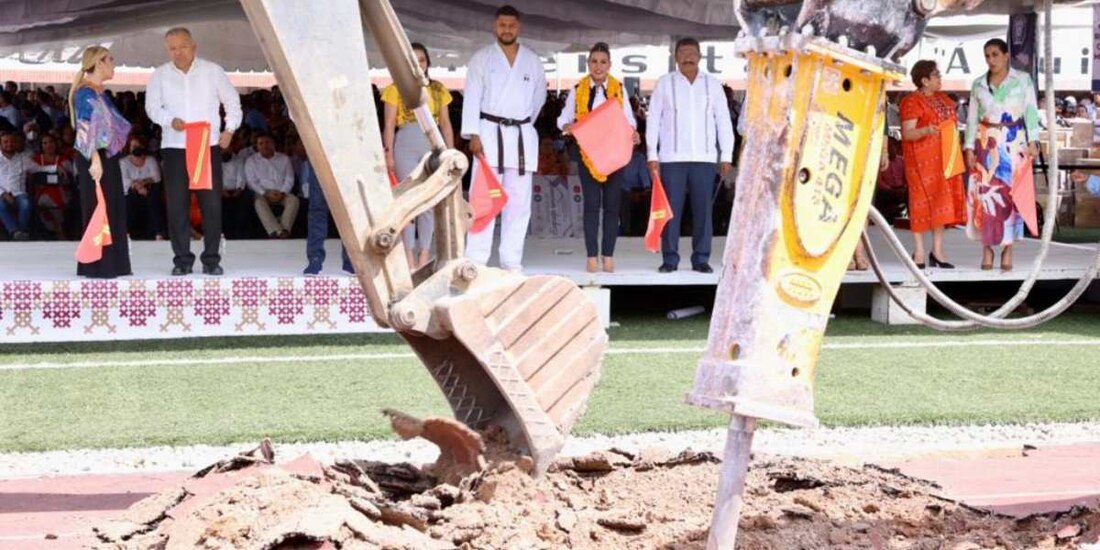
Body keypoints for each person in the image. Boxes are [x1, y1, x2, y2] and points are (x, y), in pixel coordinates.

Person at [145, 27, 241, 276]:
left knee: (211, 206)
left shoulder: (213, 71)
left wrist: (229, 130)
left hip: (206, 147)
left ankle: (211, 259)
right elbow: (152, 108)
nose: (178, 52)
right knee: (177, 206)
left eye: (182, 46)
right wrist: (168, 120)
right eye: (172, 48)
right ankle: (182, 260)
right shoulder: (160, 75)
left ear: (194, 46)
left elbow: (232, 101)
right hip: (175, 147)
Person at [461, 5, 547, 272]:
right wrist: (473, 133)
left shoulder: (532, 60)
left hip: (520, 136)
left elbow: (538, 99)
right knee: (483, 199)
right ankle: (476, 259)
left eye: (511, 25)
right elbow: (472, 97)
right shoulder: (482, 59)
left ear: (518, 27)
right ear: (494, 27)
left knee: (519, 202)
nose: (506, 29)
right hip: (489, 134)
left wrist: (520, 123)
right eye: (502, 25)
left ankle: (511, 260)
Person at [646, 37, 734, 273]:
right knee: (670, 211)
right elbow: (653, 119)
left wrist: (726, 155)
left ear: (699, 57)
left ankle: (701, 258)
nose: (687, 57)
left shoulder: (712, 84)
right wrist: (651, 154)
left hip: (704, 159)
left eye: (692, 53)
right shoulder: (665, 83)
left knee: (703, 210)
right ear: (675, 58)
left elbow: (723, 121)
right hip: (672, 158)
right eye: (683, 53)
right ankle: (670, 259)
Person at [556, 42, 639, 273]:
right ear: (588, 64)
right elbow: (561, 119)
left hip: (614, 155)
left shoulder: (619, 89)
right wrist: (568, 126)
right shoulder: (578, 89)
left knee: (612, 206)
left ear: (610, 64)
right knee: (592, 206)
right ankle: (592, 255)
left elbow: (630, 120)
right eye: (594, 61)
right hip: (588, 155)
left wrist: (633, 133)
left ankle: (609, 255)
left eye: (603, 62)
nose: (598, 66)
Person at [964, 38, 1040, 272]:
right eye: (987, 55)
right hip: (985, 142)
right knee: (986, 195)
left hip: (1014, 141)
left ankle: (1008, 248)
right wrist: (968, 147)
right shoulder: (978, 84)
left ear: (1006, 55)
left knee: (1011, 196)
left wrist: (1033, 140)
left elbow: (1031, 111)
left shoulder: (1022, 80)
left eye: (995, 54)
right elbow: (971, 119)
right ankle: (986, 249)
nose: (991, 59)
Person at [381, 42, 455, 269]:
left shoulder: (438, 89)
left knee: (428, 201)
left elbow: (446, 124)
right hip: (404, 144)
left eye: (422, 60)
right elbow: (389, 124)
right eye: (413, 60)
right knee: (407, 201)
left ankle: (424, 253)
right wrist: (388, 154)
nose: (418, 64)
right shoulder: (394, 89)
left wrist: (450, 154)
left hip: (432, 145)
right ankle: (408, 254)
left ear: (428, 63)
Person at [70, 46, 132, 278]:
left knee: (111, 206)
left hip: (106, 156)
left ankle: (111, 263)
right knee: (100, 207)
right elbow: (85, 129)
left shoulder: (98, 93)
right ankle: (99, 264)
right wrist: (95, 159)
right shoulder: (86, 93)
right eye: (111, 60)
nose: (114, 65)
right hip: (95, 156)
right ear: (99, 63)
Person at [899, 60, 967, 269]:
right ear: (924, 80)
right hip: (921, 162)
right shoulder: (912, 102)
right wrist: (926, 131)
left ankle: (937, 251)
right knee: (920, 203)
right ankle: (918, 251)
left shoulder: (945, 99)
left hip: (945, 159)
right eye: (936, 75)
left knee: (941, 203)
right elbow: (907, 133)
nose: (940, 78)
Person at [301, 156, 352, 276]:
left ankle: (351, 259)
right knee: (318, 208)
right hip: (319, 152)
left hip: (345, 154)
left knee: (348, 210)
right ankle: (315, 258)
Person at [244, 132, 297, 238]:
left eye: (267, 142)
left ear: (274, 144)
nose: (264, 146)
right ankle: (276, 231)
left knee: (294, 200)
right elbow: (251, 181)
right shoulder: (251, 161)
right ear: (257, 146)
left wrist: (282, 192)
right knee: (258, 202)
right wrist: (265, 193)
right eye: (261, 143)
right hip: (262, 193)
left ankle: (284, 230)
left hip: (281, 192)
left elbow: (289, 178)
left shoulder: (284, 159)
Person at [120, 135, 166, 240]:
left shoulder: (150, 160)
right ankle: (126, 233)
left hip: (148, 191)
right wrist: (137, 186)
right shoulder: (123, 162)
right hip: (131, 193)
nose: (136, 148)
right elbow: (124, 180)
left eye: (138, 145)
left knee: (154, 198)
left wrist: (143, 183)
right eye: (133, 146)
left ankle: (158, 233)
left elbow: (157, 177)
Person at [0, 131, 34, 240]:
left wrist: (56, 168)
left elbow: (39, 168)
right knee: (0, 205)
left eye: (12, 141)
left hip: (19, 193)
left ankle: (21, 232)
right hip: (1, 194)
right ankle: (15, 231)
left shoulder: (23, 158)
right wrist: (4, 194)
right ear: (1, 144)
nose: (9, 144)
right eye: (5, 142)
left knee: (26, 203)